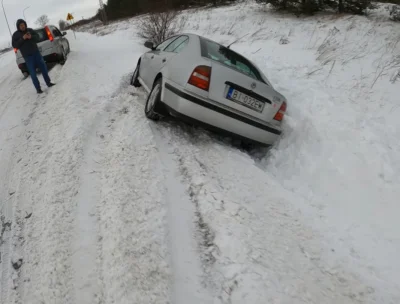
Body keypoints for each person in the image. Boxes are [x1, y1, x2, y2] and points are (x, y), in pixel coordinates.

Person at [12, 19, 55, 94]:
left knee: (44, 69)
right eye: (20, 25)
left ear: (25, 24)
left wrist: (31, 37)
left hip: (36, 54)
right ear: (18, 27)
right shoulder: (15, 35)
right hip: (28, 57)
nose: (22, 26)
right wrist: (23, 38)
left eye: (23, 24)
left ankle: (48, 83)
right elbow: (15, 45)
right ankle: (38, 89)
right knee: (33, 73)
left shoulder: (30, 30)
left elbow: (38, 37)